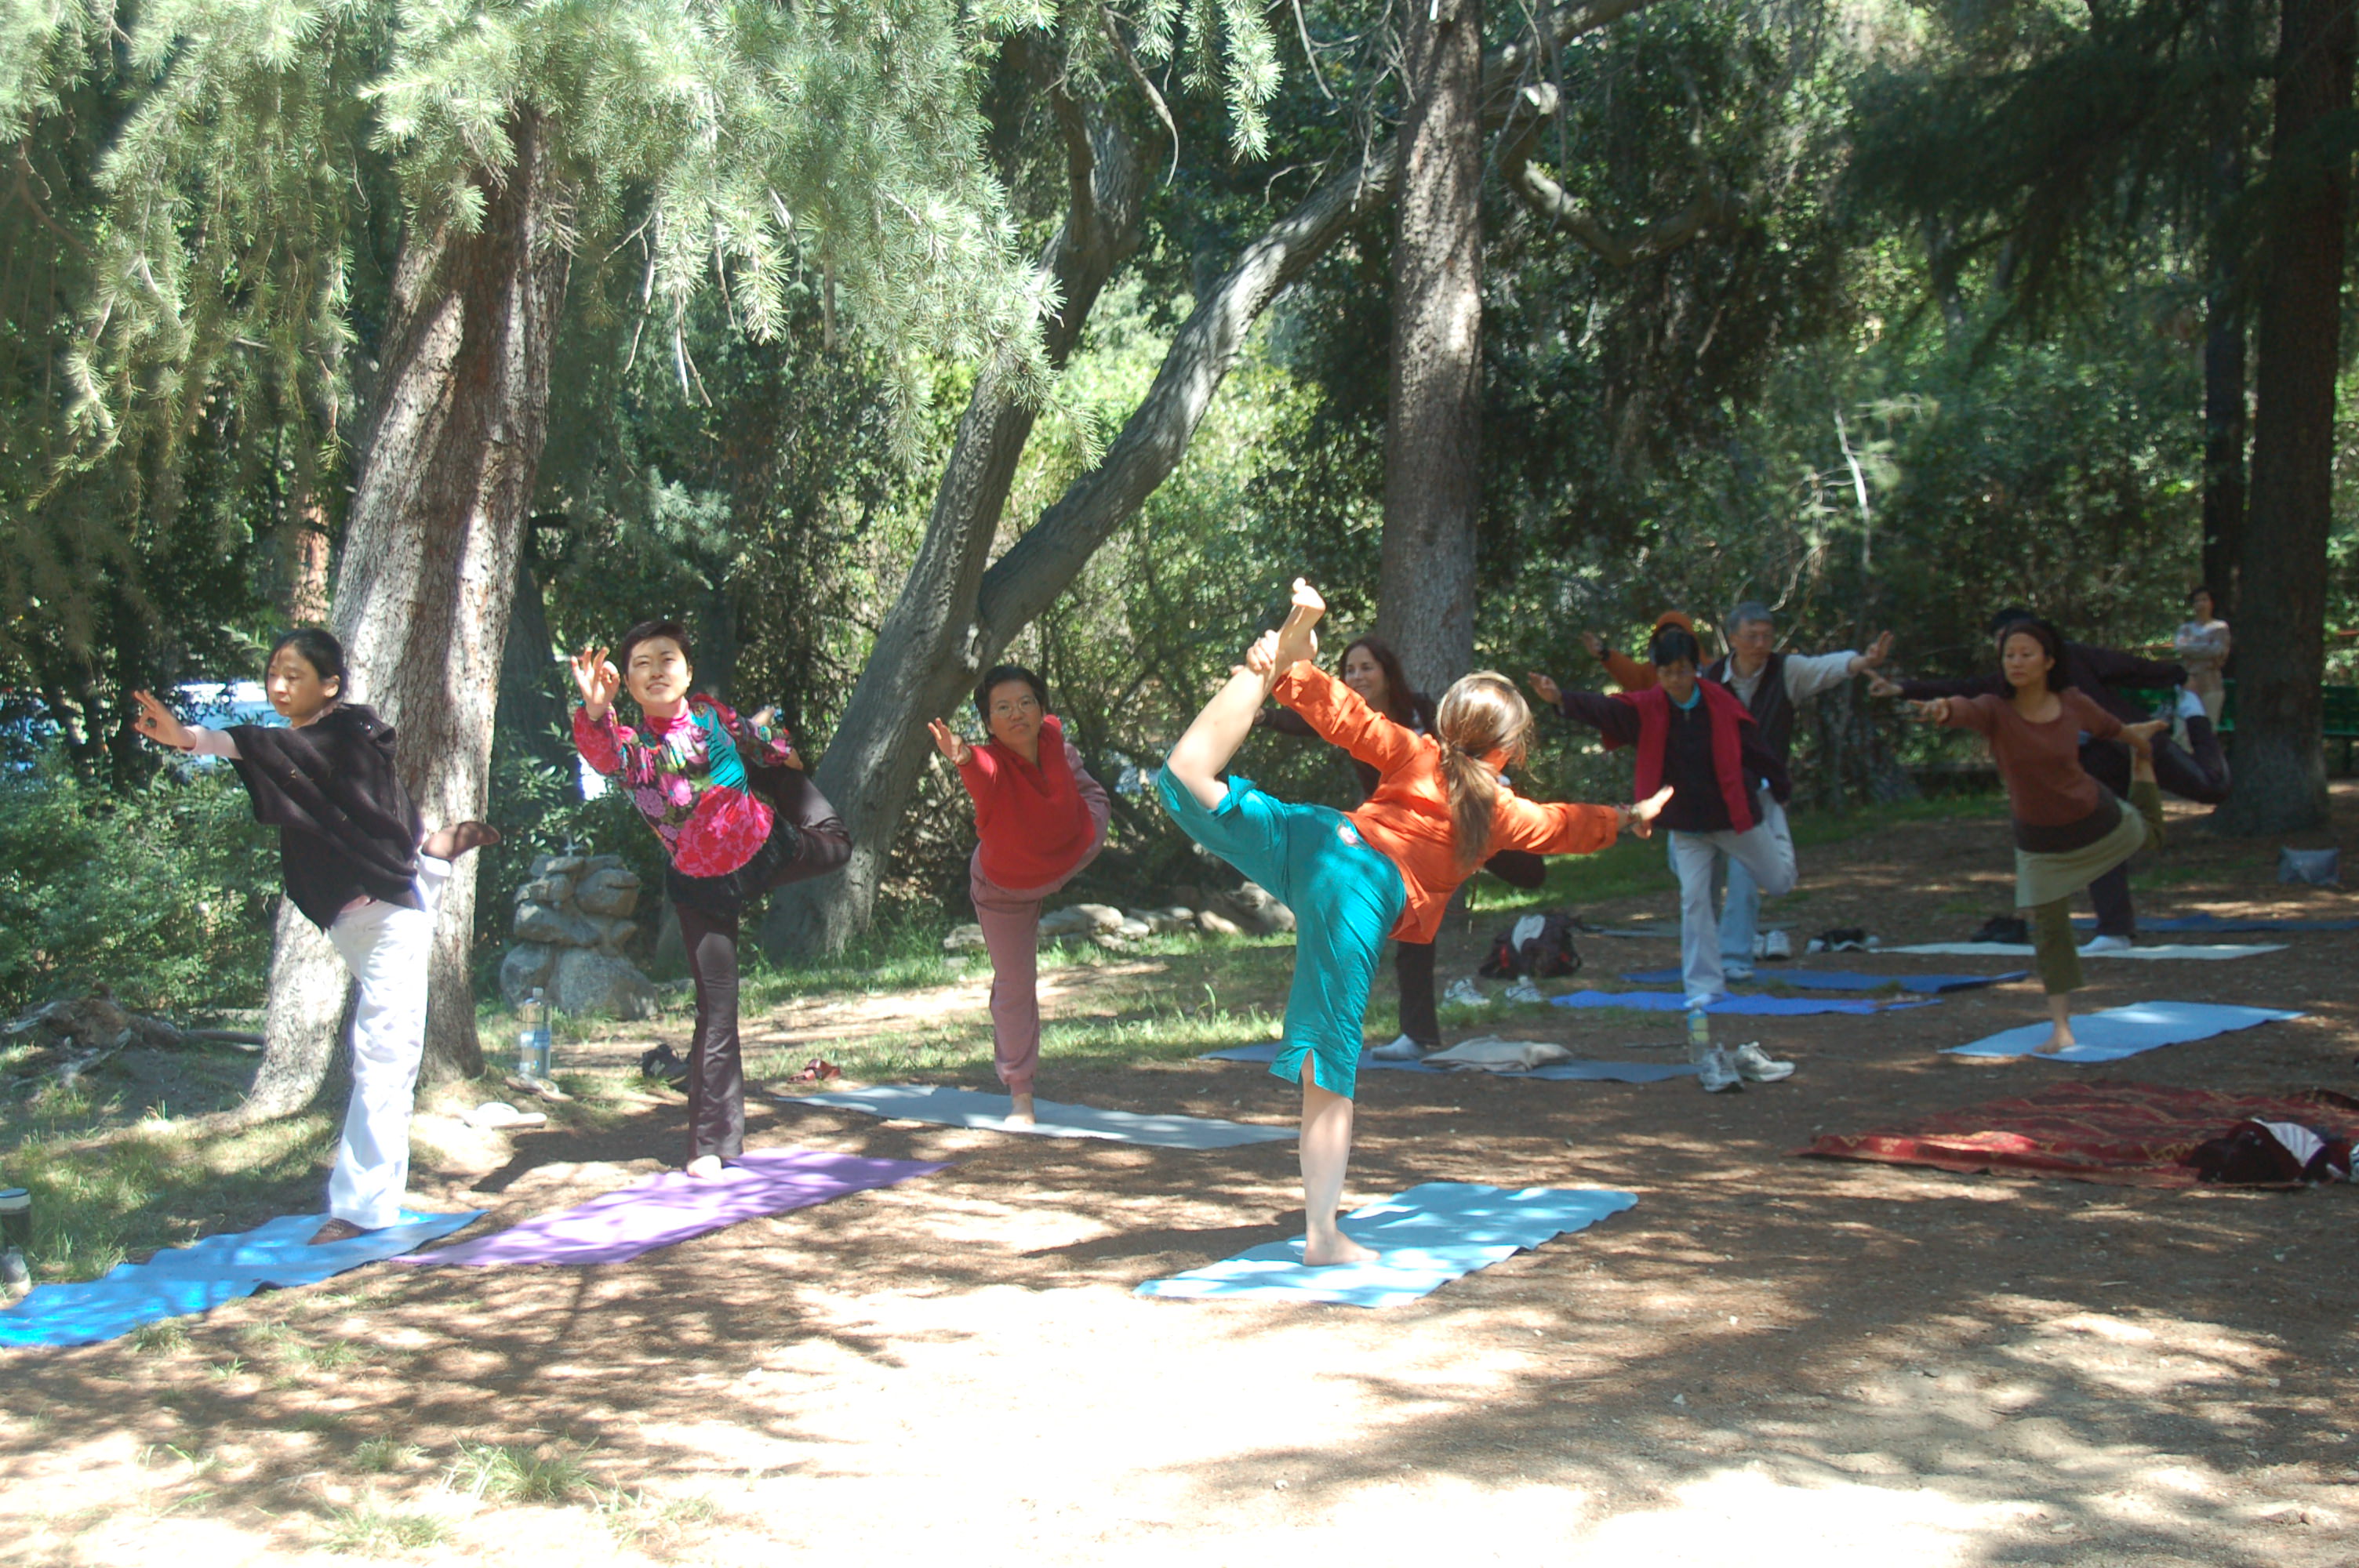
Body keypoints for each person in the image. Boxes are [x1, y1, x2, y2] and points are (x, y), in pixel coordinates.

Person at [1160, 579, 1667, 1265]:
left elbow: (1350, 719)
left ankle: (1265, 664)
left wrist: (1293, 673)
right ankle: (1323, 1236)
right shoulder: (1501, 812)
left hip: (1324, 844)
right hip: (1362, 890)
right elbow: (1564, 826)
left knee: (1188, 777)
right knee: (1327, 1063)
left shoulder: (1418, 751)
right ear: (1511, 750)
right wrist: (1631, 817)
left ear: (1452, 725)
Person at [132, 630, 499, 1244]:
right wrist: (188, 738)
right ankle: (430, 855)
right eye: (273, 673)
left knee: (386, 1056)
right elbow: (264, 750)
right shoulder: (336, 738)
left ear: (329, 684)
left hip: (386, 910)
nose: (278, 685)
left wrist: (192, 738)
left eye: (293, 675)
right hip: (359, 910)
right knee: (386, 1035)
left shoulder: (341, 736)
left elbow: (249, 746)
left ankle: (359, 1209)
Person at [572, 621, 850, 1178]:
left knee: (837, 844)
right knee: (717, 1012)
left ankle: (777, 780)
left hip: (767, 847)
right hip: (702, 886)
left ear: (688, 671)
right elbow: (607, 757)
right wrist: (596, 713)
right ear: (626, 684)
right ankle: (711, 1146)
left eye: (666, 658)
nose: (656, 671)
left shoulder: (707, 712)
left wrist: (780, 752)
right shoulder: (636, 749)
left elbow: (749, 734)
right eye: (641, 665)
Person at [1528, 625, 1797, 1088]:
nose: (1677, 680)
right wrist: (1561, 699)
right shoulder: (1649, 706)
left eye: (1684, 671)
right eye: (1668, 672)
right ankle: (1703, 990)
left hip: (1735, 817)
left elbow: (1757, 749)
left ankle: (1778, 822)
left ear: (1697, 667)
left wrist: (1781, 788)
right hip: (1687, 828)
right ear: (1658, 671)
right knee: (1694, 901)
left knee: (1780, 882)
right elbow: (1608, 711)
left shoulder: (1719, 702)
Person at [1257, 634, 1547, 1062]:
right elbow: (1306, 719)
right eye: (1349, 670)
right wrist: (1261, 714)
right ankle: (1418, 1034)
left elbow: (1467, 748)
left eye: (1366, 667)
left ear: (1387, 672)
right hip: (1407, 844)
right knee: (1413, 928)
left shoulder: (1422, 712)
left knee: (1533, 875)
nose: (1356, 676)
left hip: (1462, 820)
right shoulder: (1354, 721)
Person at [1873, 607, 2226, 950]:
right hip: (2090, 763)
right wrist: (1902, 689)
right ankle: (2115, 929)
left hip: (2127, 741)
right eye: (2004, 647)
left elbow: (2130, 668)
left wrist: (2180, 677)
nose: (2012, 655)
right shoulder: (2007, 682)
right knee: (2099, 838)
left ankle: (2196, 717)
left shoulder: (2073, 659)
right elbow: (1962, 689)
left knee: (2211, 788)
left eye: (2021, 646)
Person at [1903, 617, 2166, 1053]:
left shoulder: (2071, 701)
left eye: (2026, 654)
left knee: (2153, 836)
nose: (2016, 662)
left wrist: (2134, 741)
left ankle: (2145, 769)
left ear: (2048, 661)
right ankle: (2061, 1028)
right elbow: (1963, 708)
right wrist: (1942, 708)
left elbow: (2108, 727)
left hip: (2095, 818)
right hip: (2040, 843)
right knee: (2050, 933)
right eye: (2009, 655)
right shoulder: (1995, 709)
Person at [929, 665, 1111, 1127]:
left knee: (1082, 787)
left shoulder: (1054, 739)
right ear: (989, 723)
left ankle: (1071, 826)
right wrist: (962, 755)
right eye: (1003, 709)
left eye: (1026, 702)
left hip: (1069, 851)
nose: (1017, 714)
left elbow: (1071, 763)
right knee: (1015, 984)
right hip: (1004, 886)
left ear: (1042, 707)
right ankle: (1021, 1094)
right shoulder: (988, 765)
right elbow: (979, 767)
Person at [1702, 602, 1893, 978]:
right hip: (1711, 793)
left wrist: (1861, 661)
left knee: (1745, 875)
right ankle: (1705, 956)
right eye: (1752, 636)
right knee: (1697, 879)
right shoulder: (1708, 680)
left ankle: (1735, 959)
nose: (1760, 644)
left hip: (1758, 791)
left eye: (1767, 636)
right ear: (1733, 638)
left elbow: (1826, 668)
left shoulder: (1785, 672)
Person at [1579, 612, 1698, 693]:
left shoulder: (1711, 670)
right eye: (1666, 634)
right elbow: (1628, 672)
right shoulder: (1649, 674)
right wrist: (1603, 653)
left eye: (1678, 632)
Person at [2174, 586, 2231, 725]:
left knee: (2209, 727)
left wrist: (2192, 650)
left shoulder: (2220, 627)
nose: (2201, 604)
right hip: (2189, 683)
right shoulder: (2185, 629)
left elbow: (2219, 651)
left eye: (2204, 600)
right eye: (2197, 601)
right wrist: (2206, 648)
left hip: (2212, 683)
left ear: (2211, 603)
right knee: (2183, 729)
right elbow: (2181, 648)